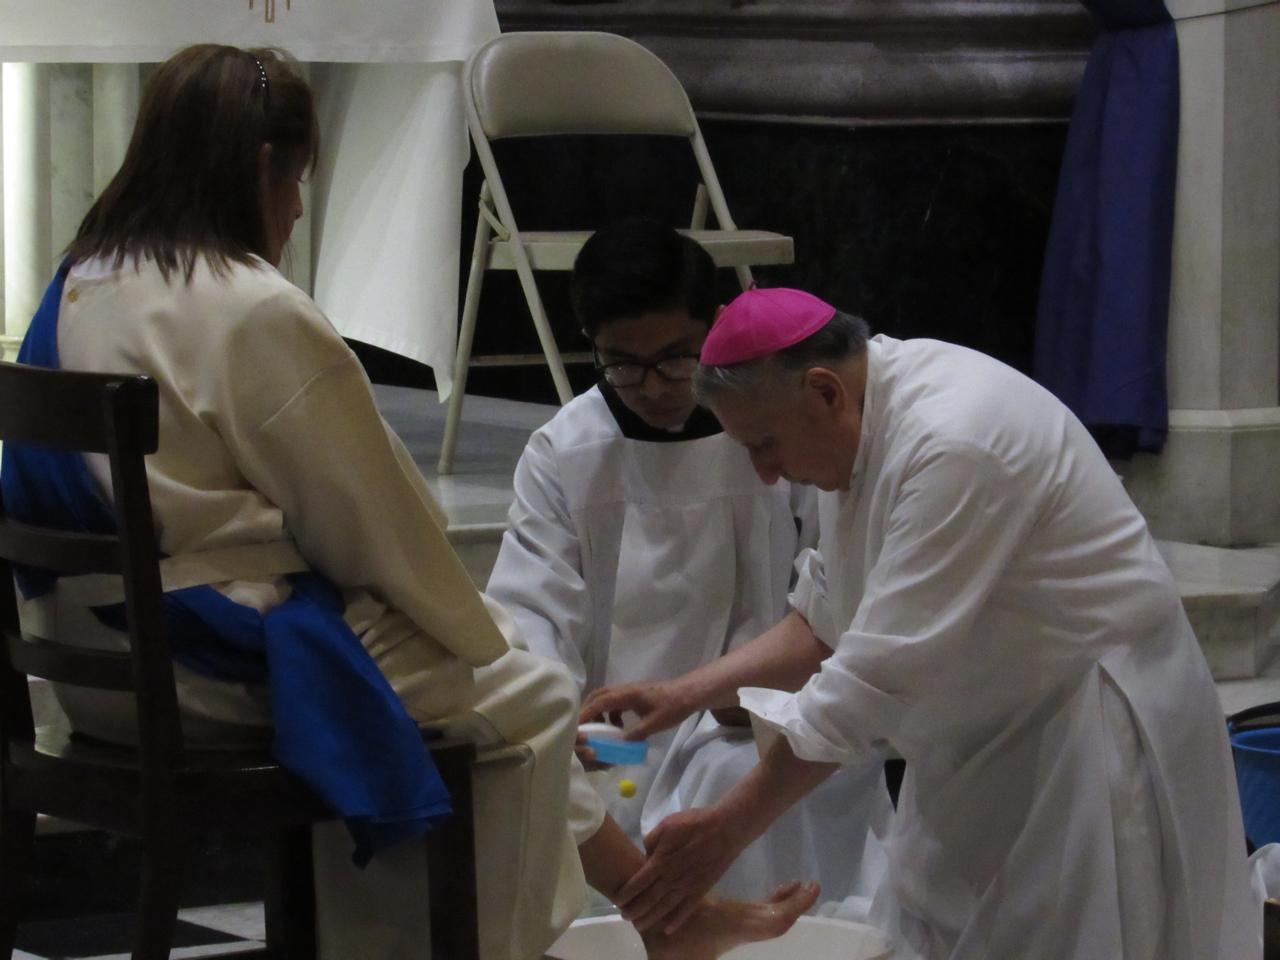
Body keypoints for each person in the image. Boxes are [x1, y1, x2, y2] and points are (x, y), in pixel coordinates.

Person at [0, 46, 818, 960]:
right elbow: (379, 532)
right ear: (264, 168)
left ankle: (642, 912)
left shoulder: (81, 280)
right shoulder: (249, 307)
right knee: (524, 696)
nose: (301, 209)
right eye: (300, 181)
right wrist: (477, 637)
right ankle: (632, 920)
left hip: (89, 667)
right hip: (206, 668)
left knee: (496, 692)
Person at [582, 287, 1259, 960]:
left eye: (763, 444)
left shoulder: (955, 440)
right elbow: (826, 621)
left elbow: (868, 678)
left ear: (823, 392)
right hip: (980, 738)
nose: (764, 474)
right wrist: (682, 695)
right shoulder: (859, 422)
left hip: (1085, 732)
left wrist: (728, 830)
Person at [485, 219, 893, 908]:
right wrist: (558, 727)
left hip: (760, 716)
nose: (652, 386)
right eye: (623, 364)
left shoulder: (776, 429)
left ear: (714, 328)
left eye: (677, 359)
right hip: (621, 744)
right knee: (586, 777)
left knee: (777, 766)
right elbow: (532, 619)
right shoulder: (566, 455)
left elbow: (832, 600)